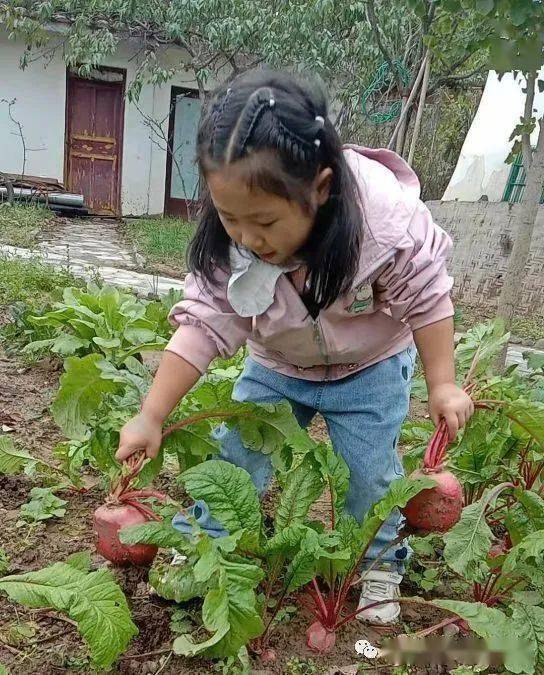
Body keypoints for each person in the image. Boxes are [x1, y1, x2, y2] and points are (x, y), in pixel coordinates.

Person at [116, 68, 474, 625]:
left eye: (263, 222)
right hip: (277, 366)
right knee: (235, 455)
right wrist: (151, 414)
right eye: (229, 218)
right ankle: (208, 543)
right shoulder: (233, 242)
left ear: (321, 189)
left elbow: (428, 297)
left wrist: (443, 383)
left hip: (370, 366)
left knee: (372, 477)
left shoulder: (381, 226)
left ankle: (375, 563)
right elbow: (203, 324)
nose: (246, 239)